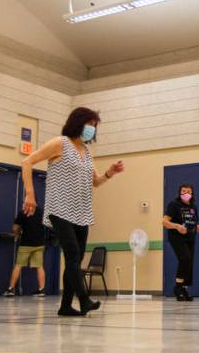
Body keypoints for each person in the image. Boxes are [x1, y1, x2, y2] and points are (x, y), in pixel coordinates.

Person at [21, 107, 124, 316]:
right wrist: (30, 194)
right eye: (90, 125)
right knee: (73, 254)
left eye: (95, 127)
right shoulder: (60, 143)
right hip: (59, 208)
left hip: (82, 211)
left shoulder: (86, 152)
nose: (92, 130)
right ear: (78, 122)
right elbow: (27, 161)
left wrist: (110, 173)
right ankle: (84, 300)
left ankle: (66, 306)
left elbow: (95, 182)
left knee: (74, 260)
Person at [162, 184, 199, 301]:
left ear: (192, 194)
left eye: (188, 191)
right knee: (185, 259)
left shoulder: (193, 207)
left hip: (190, 237)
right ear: (179, 193)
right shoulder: (174, 205)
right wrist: (177, 226)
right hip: (177, 237)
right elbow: (164, 222)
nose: (185, 193)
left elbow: (193, 227)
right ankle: (177, 287)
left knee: (189, 263)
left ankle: (183, 288)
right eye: (183, 191)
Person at [4, 204, 46, 297]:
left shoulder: (22, 212)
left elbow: (15, 228)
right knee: (39, 266)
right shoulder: (42, 212)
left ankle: (10, 289)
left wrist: (18, 233)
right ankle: (41, 290)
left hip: (25, 243)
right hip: (39, 243)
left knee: (18, 265)